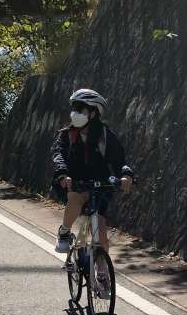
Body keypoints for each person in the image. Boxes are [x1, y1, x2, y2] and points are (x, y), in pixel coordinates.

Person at [51, 88, 133, 260]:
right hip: (74, 181)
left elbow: (119, 160)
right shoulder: (67, 135)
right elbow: (58, 154)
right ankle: (64, 231)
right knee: (75, 199)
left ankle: (103, 270)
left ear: (93, 113)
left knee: (101, 231)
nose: (74, 113)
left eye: (80, 110)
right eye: (74, 109)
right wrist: (63, 174)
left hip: (101, 184)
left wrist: (126, 174)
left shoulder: (105, 135)